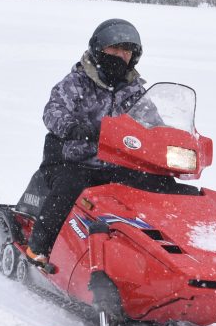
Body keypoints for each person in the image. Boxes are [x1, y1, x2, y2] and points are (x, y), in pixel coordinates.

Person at [26, 19, 150, 266]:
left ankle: (150, 257)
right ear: (99, 50)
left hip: (117, 164)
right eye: (114, 49)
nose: (120, 56)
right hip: (73, 161)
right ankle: (38, 247)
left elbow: (153, 121)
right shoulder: (77, 82)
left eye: (126, 51)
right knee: (70, 187)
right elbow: (53, 110)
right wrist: (73, 128)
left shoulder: (134, 90)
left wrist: (169, 138)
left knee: (158, 188)